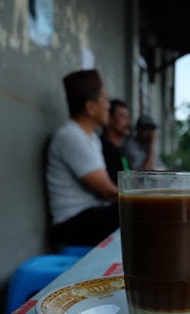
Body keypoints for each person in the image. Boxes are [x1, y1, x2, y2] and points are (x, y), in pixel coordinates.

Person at [46, 69, 119, 246]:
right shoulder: (70, 136)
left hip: (90, 215)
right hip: (71, 224)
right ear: (90, 107)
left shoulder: (91, 137)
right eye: (105, 100)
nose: (108, 106)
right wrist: (146, 199)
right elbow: (106, 191)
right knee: (138, 212)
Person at [101, 99, 132, 185]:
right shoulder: (101, 149)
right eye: (122, 117)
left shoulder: (121, 150)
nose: (128, 122)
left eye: (127, 117)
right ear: (109, 119)